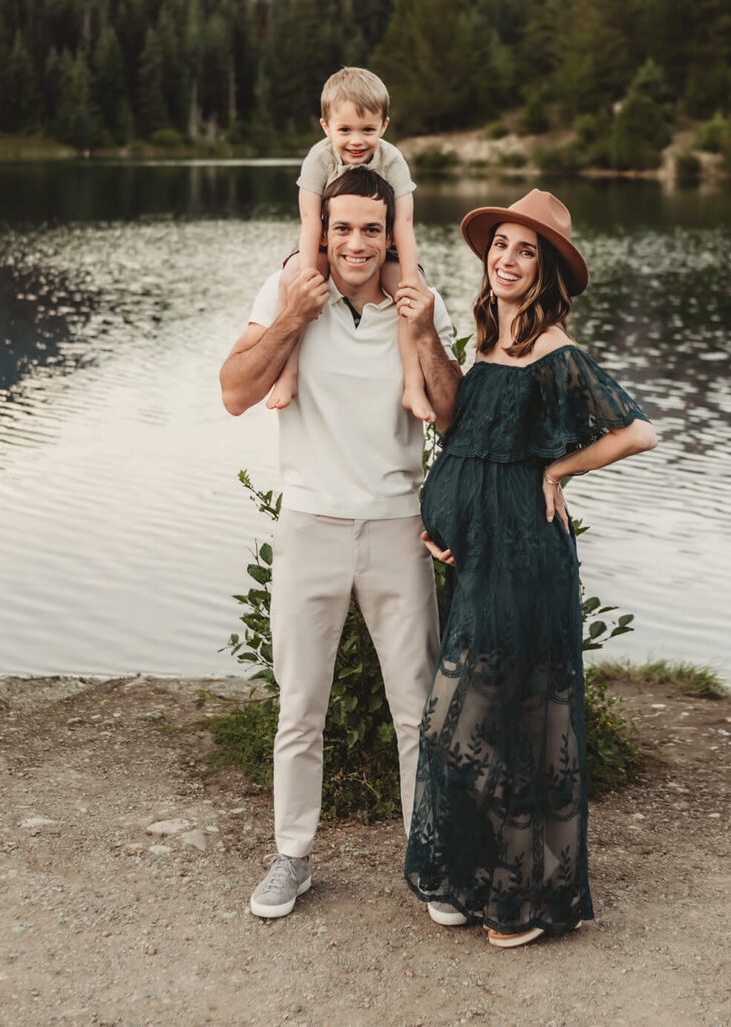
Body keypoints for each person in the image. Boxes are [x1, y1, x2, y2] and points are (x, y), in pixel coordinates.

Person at [405, 187, 658, 948]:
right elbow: (464, 437)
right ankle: (494, 882)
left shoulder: (552, 347)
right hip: (482, 552)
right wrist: (441, 516)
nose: (507, 259)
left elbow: (640, 431)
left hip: (524, 554)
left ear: (544, 268)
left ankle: (519, 904)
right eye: (501, 245)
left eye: (525, 249)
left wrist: (560, 472)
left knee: (478, 717)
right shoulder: (488, 337)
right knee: (488, 716)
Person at [220, 166, 464, 923]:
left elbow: (452, 416)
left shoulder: (420, 299)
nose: (356, 242)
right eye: (342, 228)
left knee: (417, 707)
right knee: (300, 705)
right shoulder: (287, 288)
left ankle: (431, 860)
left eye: (371, 228)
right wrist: (291, 316)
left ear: (391, 234)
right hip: (309, 524)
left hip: (396, 523)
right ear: (321, 232)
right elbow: (234, 390)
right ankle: (291, 856)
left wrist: (423, 332)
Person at [265, 67, 434, 424]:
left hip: (380, 244)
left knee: (407, 296)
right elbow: (310, 221)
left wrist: (409, 279)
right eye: (345, 130)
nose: (356, 141)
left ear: (384, 126)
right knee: (291, 283)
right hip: (328, 241)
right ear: (326, 126)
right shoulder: (319, 160)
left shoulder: (392, 161)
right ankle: (289, 373)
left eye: (367, 130)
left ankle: (413, 385)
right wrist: (308, 276)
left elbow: (403, 222)